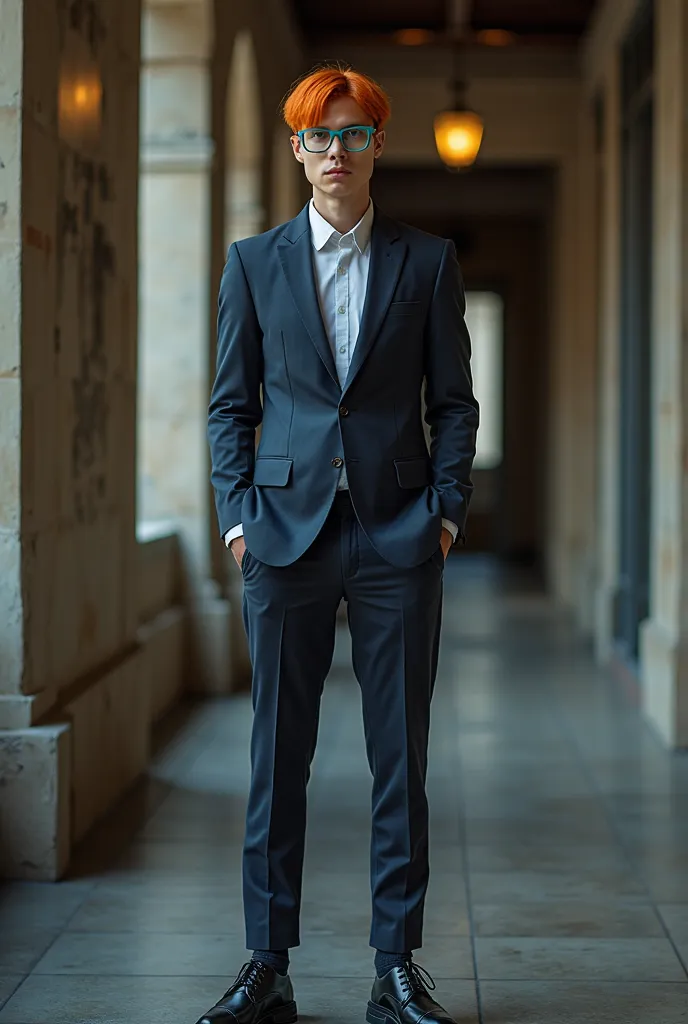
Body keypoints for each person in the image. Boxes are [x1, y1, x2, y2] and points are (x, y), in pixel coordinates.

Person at [200, 64, 478, 1024]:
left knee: (401, 756)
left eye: (353, 134)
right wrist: (238, 518)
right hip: (283, 538)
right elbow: (230, 405)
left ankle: (395, 966)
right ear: (296, 150)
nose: (335, 152)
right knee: (279, 755)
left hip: (400, 536)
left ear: (377, 146)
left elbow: (453, 404)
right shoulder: (253, 263)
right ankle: (265, 964)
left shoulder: (428, 261)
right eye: (319, 137)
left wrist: (444, 515)